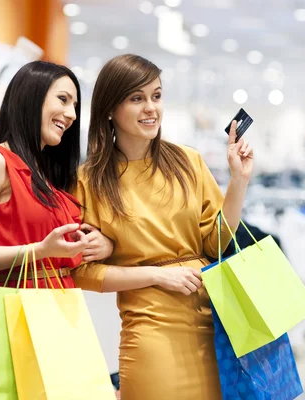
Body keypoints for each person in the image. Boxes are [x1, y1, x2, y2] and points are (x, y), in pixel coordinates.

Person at [72, 54, 254, 399]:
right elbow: (82, 273)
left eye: (156, 96)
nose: (150, 108)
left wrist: (238, 182)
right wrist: (156, 275)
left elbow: (214, 244)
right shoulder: (89, 181)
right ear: (110, 108)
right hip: (151, 328)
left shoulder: (188, 161)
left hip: (213, 323)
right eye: (136, 98)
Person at [0, 61, 113, 288]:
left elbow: (58, 251)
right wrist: (40, 250)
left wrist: (97, 244)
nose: (72, 114)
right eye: (63, 99)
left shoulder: (47, 173)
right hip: (20, 309)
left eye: (74, 105)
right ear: (31, 98)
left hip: (62, 307)